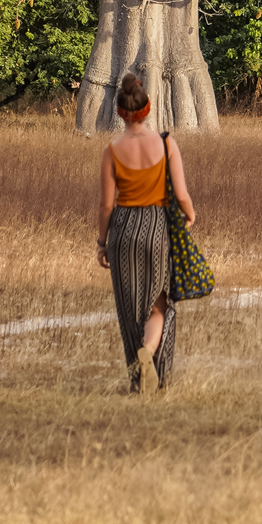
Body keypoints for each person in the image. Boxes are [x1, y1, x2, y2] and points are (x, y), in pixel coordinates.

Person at [95, 73, 194, 394]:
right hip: (157, 227)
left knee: (130, 310)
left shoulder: (111, 150)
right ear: (147, 109)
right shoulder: (166, 144)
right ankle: (150, 356)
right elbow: (180, 194)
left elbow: (106, 205)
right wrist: (189, 216)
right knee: (159, 304)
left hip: (122, 230)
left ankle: (139, 381)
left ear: (121, 112)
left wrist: (102, 242)